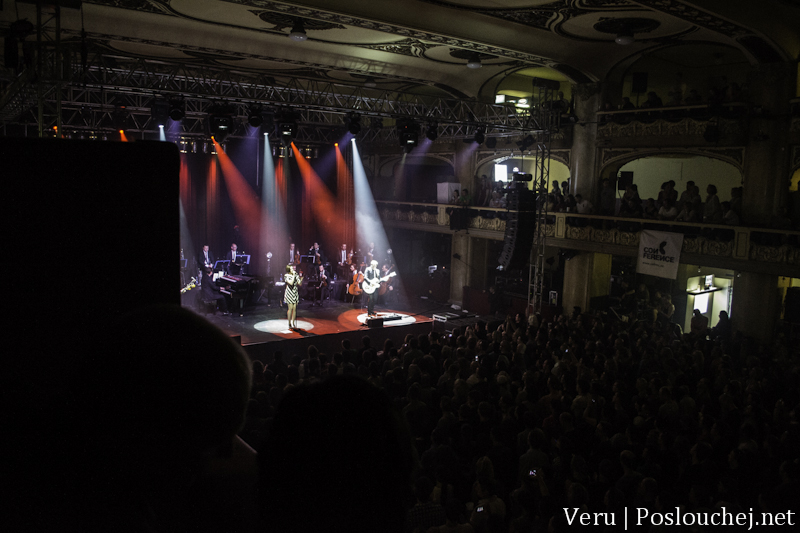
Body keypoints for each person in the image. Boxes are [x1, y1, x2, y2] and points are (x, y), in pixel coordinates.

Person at [284, 263, 303, 329]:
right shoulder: (286, 275)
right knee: (290, 308)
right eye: (291, 268)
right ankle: (289, 323)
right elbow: (291, 283)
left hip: (295, 292)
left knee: (294, 309)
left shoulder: (296, 274)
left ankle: (293, 323)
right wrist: (294, 276)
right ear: (289, 269)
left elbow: (299, 284)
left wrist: (301, 278)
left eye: (293, 268)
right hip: (289, 293)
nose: (293, 269)